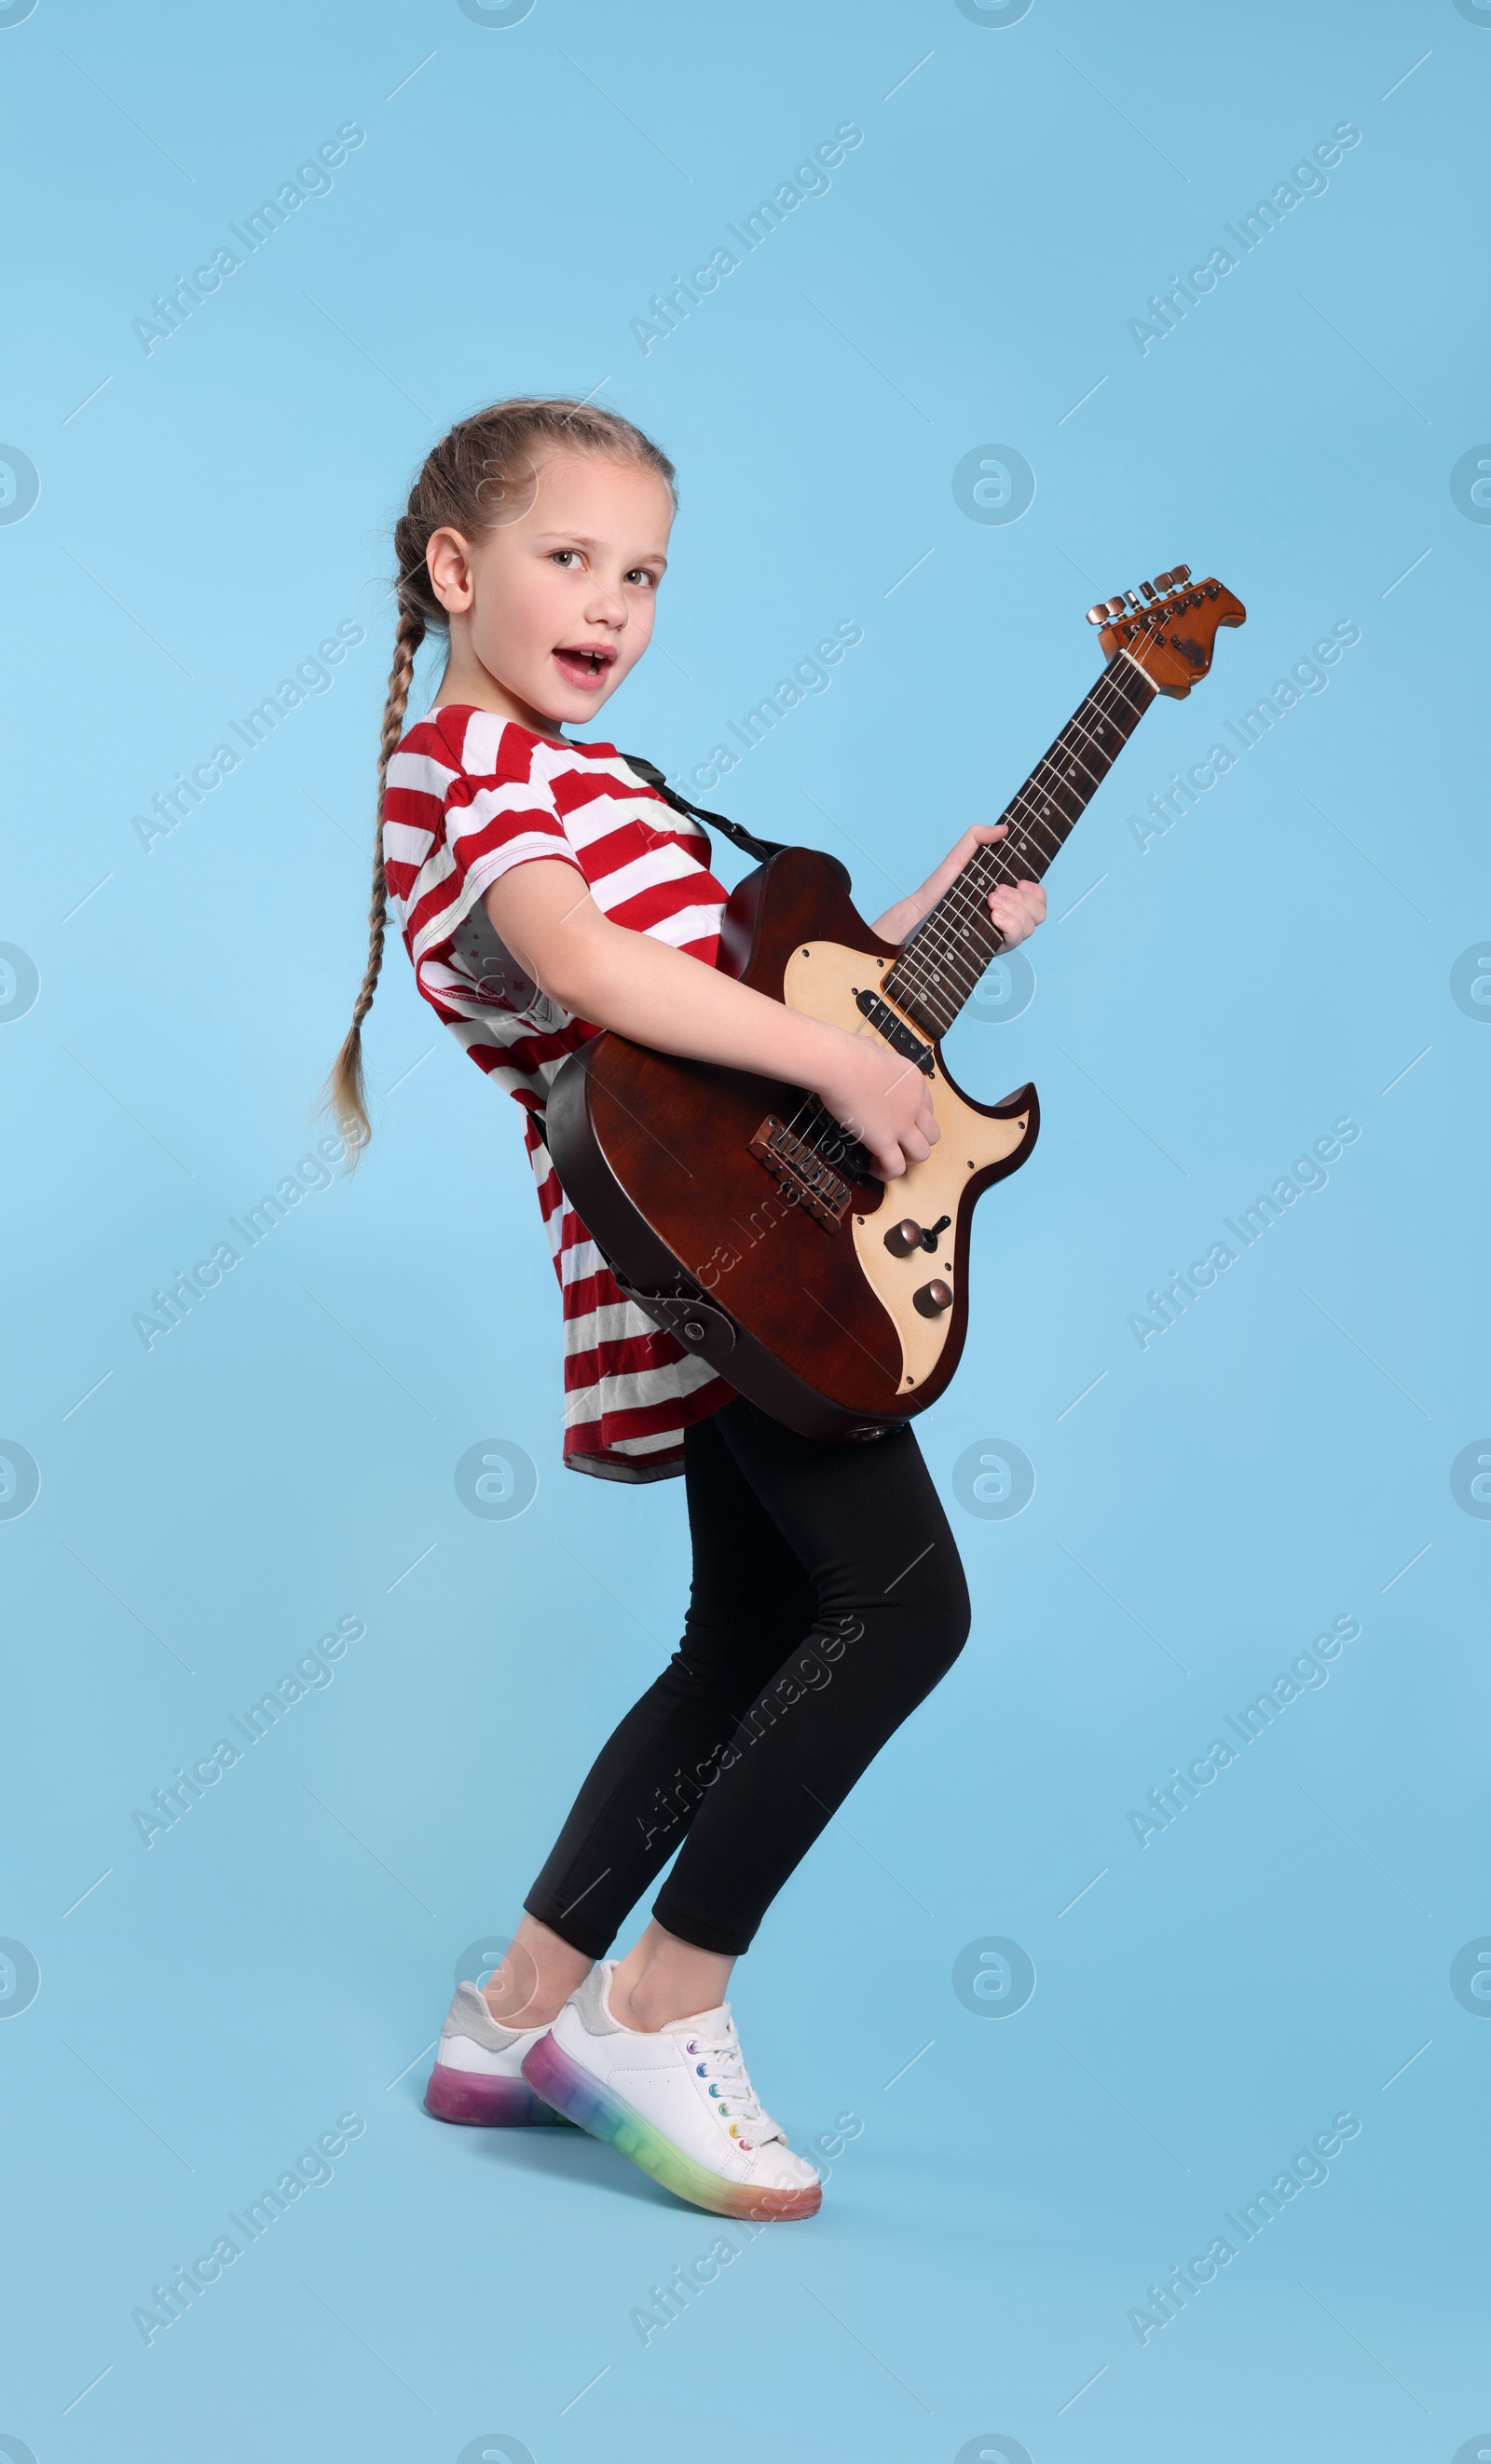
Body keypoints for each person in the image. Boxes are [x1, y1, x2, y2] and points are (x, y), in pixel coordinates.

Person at [326, 397, 1046, 2224]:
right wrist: (832, 1054)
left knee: (741, 1633)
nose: (609, 603)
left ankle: (512, 2018)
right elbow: (582, 971)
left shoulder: (597, 773)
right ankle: (663, 2003)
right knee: (898, 1606)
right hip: (708, 1257)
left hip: (735, 1230)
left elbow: (730, 1017)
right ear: (456, 570)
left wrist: (919, 922)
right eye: (567, 560)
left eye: (640, 572)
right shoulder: (469, 771)